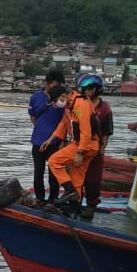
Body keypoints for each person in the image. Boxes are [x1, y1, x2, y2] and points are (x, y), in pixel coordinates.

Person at [41, 82, 100, 216]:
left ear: (63, 95)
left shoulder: (80, 105)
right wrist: (51, 139)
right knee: (76, 176)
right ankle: (75, 207)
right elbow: (64, 123)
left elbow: (86, 131)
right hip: (88, 145)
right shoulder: (70, 105)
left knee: (54, 161)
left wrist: (80, 152)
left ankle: (69, 190)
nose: (56, 104)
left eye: (56, 101)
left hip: (85, 145)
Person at [79, 75, 114, 220]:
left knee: (93, 179)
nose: (87, 92)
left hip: (95, 148)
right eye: (85, 89)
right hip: (79, 147)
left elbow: (106, 131)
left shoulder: (104, 109)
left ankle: (91, 205)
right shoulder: (79, 104)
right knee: (76, 177)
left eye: (90, 89)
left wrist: (102, 148)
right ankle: (75, 202)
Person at [28, 68, 65, 204]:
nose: (58, 88)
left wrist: (61, 140)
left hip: (55, 143)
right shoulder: (35, 97)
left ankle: (52, 199)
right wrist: (41, 129)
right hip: (38, 141)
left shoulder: (62, 101)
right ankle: (39, 198)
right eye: (55, 85)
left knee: (54, 173)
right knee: (38, 172)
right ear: (47, 83)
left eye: (60, 86)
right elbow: (32, 117)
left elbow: (65, 121)